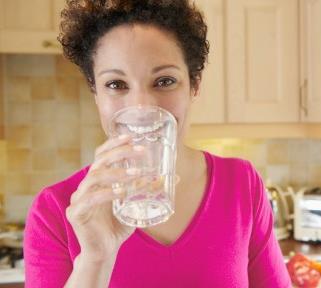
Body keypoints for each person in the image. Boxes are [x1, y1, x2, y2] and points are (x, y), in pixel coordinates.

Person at [23, 0, 291, 287]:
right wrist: (95, 259)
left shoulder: (241, 185)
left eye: (164, 81)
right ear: (95, 93)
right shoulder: (53, 212)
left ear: (194, 85)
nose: (141, 107)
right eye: (116, 84)